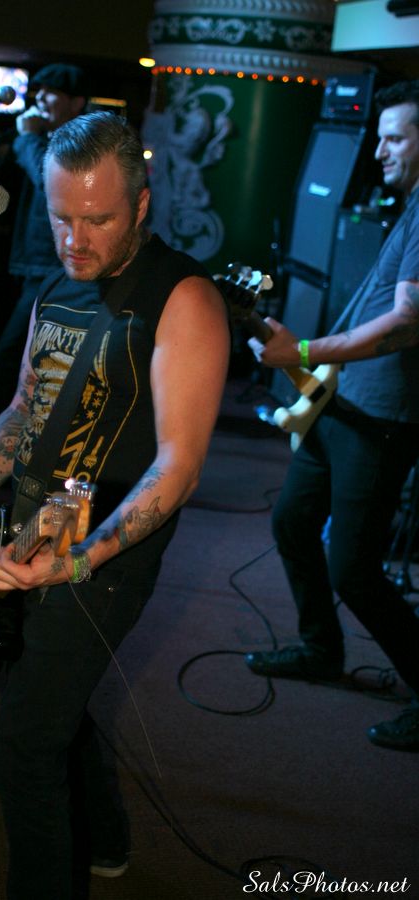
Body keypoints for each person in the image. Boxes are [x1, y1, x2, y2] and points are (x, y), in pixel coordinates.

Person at [0, 111, 230, 898]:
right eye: (62, 217)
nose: (76, 239)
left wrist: (78, 561)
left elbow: (180, 466)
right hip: (26, 531)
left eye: (98, 219)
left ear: (141, 203)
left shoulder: (183, 298)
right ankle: (106, 838)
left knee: (21, 753)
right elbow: (25, 409)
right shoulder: (57, 287)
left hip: (104, 559)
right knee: (46, 699)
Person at [245, 79, 419, 751]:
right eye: (380, 137)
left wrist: (303, 350)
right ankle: (321, 648)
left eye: (394, 137)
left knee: (354, 569)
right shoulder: (408, 204)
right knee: (292, 521)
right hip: (342, 404)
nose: (379, 151)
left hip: (382, 420)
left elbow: (406, 324)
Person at [0, 62, 89, 422]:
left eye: (51, 93)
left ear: (76, 102)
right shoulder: (45, 140)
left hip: (53, 268)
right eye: (38, 92)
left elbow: (52, 185)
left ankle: (0, 447)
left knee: (11, 359)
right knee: (19, 360)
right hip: (33, 265)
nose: (40, 99)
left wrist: (27, 138)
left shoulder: (81, 142)